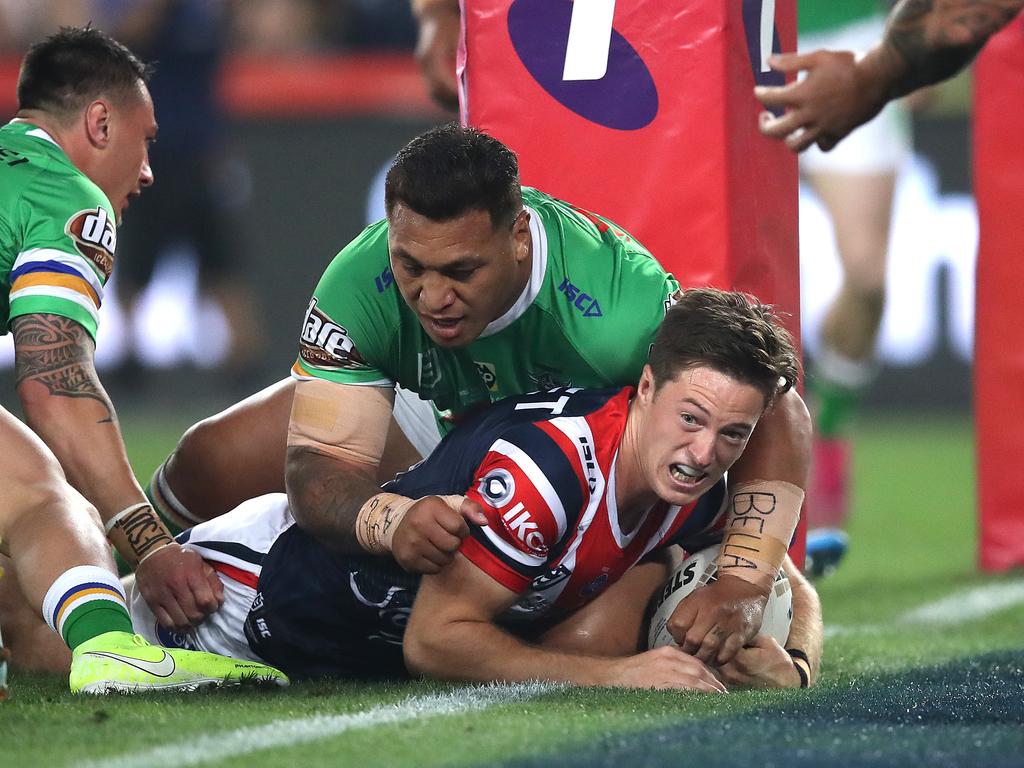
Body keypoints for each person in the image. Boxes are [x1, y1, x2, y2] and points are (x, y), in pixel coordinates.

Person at [146, 125, 813, 667]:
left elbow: (771, 397)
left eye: (462, 270)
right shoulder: (358, 287)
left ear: (518, 235)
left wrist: (743, 582)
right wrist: (390, 521)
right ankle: (129, 583)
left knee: (619, 627)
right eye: (412, 266)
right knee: (208, 459)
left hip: (577, 472)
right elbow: (319, 475)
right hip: (442, 421)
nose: (433, 297)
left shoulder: (618, 311)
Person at [103, 290, 817, 689]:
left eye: (731, 434)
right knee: (54, 651)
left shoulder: (700, 473)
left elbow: (785, 579)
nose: (703, 454)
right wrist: (626, 676)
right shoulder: (548, 471)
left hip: (351, 647)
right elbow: (435, 646)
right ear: (648, 388)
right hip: (252, 597)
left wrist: (795, 664)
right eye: (691, 420)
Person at [0, 26, 287, 693]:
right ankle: (113, 650)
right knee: (39, 498)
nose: (150, 168)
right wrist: (151, 543)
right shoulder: (65, 193)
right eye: (146, 138)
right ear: (100, 122)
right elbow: (55, 385)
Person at [795, 1, 913, 578]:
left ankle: (829, 427)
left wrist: (918, 45)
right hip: (724, 40)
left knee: (868, 275)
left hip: (848, 41)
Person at [755, 0, 1024, 152]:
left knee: (862, 245)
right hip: (770, 31)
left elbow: (965, 19)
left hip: (847, 27)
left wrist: (876, 73)